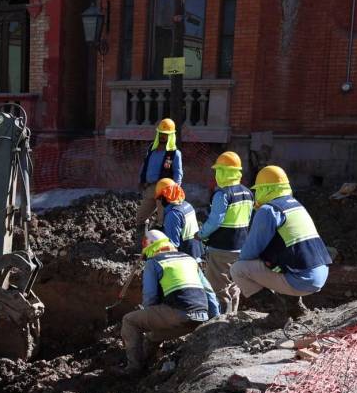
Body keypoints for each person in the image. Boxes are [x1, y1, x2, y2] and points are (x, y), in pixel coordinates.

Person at [231, 166, 332, 329]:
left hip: (302, 280)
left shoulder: (268, 210)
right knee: (274, 264)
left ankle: (277, 314)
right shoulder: (296, 205)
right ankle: (296, 309)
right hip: (320, 273)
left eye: (258, 190)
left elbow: (249, 253)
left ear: (266, 189)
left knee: (238, 269)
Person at [121, 230, 219, 374]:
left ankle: (134, 368)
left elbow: (150, 296)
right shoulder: (189, 259)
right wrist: (215, 319)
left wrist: (151, 317)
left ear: (150, 248)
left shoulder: (153, 262)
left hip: (179, 312)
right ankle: (148, 365)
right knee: (152, 337)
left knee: (129, 321)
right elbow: (209, 291)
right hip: (201, 315)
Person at [198, 151, 254, 314]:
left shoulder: (222, 194)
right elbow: (249, 217)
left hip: (222, 247)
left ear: (224, 172)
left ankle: (220, 320)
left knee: (217, 285)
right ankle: (232, 316)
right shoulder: (247, 192)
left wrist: (201, 234)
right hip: (242, 246)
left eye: (218, 171)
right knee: (233, 283)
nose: (216, 174)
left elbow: (216, 220)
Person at [136, 118, 183, 233]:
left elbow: (178, 173)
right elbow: (145, 165)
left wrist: (174, 190)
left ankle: (160, 244)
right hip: (150, 188)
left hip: (164, 191)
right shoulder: (152, 149)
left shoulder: (174, 154)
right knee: (140, 217)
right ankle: (143, 239)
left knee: (162, 221)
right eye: (161, 133)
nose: (162, 136)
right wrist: (141, 180)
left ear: (171, 136)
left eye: (166, 134)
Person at [153, 178, 203, 261]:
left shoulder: (173, 215)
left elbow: (173, 245)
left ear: (164, 197)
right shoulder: (187, 205)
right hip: (196, 251)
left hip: (185, 257)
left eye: (160, 198)